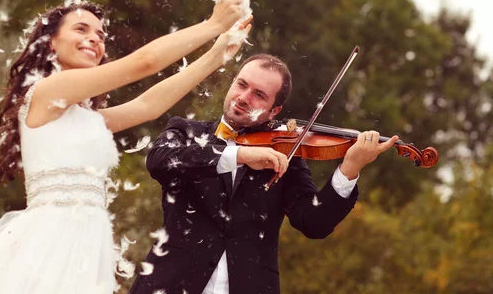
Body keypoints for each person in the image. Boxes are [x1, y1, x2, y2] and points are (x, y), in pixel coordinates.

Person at [0, 0, 251, 294]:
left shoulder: (88, 117)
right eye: (81, 29)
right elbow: (144, 63)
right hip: (48, 241)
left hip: (86, 244)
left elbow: (148, 106)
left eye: (101, 34)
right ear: (51, 41)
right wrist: (213, 24)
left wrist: (216, 56)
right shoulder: (48, 91)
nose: (95, 38)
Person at [130, 54, 398, 294]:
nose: (244, 97)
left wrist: (350, 168)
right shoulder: (187, 132)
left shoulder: (285, 157)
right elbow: (160, 162)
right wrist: (240, 155)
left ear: (274, 111)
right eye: (241, 84)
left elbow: (314, 223)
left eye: (259, 94)